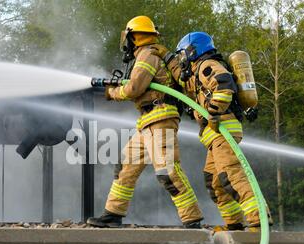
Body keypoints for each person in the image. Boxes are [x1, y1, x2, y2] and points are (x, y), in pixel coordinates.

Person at [87, 16, 204, 229]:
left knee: (167, 172)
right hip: (147, 121)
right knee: (124, 166)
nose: (126, 42)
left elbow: (134, 89)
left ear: (135, 36)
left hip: (160, 118)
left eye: (128, 37)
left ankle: (192, 219)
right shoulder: (146, 54)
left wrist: (112, 93)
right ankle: (113, 214)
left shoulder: (147, 55)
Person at [154, 32, 271, 232]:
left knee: (232, 175)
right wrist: (168, 58)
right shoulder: (196, 71)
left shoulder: (207, 66)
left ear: (193, 50)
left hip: (223, 130)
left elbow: (224, 85)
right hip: (215, 136)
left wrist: (213, 111)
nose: (182, 59)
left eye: (182, 54)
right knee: (215, 181)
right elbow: (183, 83)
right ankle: (234, 223)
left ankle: (260, 220)